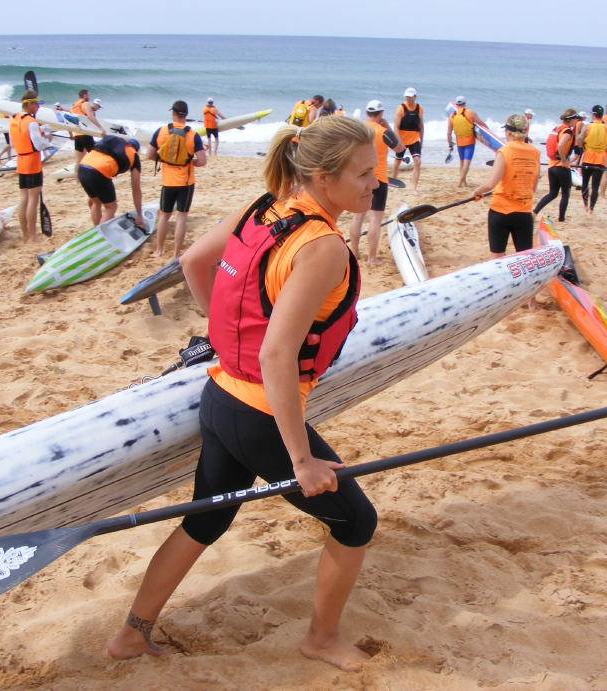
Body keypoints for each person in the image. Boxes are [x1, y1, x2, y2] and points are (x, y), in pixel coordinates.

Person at [106, 115, 378, 672]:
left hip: (220, 398)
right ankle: (321, 639)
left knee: (205, 520)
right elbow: (277, 355)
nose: (376, 183)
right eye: (364, 174)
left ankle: (131, 636)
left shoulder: (265, 206)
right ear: (324, 178)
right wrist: (301, 460)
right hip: (258, 417)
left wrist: (226, 334)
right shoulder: (322, 246)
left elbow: (193, 262)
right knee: (356, 522)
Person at [472, 114, 541, 261]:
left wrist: (477, 191)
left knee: (498, 257)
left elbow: (491, 184)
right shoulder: (536, 153)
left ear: (508, 133)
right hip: (524, 213)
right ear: (526, 131)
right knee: (524, 258)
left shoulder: (504, 151)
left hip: (500, 212)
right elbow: (533, 188)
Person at [349, 99, 406, 265]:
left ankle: (355, 253)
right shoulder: (383, 132)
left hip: (360, 177)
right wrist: (388, 127)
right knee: (375, 219)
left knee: (358, 217)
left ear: (367, 113)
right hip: (378, 179)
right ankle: (371, 258)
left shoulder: (358, 130)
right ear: (380, 114)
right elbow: (400, 148)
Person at [147, 100, 206, 257]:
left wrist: (165, 160)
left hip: (168, 182)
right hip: (186, 183)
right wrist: (188, 162)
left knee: (164, 216)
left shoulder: (161, 131)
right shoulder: (193, 135)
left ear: (173, 113)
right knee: (181, 217)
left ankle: (159, 250)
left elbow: (149, 155)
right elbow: (202, 161)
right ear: (186, 115)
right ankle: (176, 254)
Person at [9, 90, 52, 242]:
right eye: (37, 104)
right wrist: (48, 140)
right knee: (33, 200)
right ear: (31, 104)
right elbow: (38, 145)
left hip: (21, 161)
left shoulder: (13, 119)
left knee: (23, 198)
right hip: (32, 162)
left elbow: (13, 143)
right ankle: (33, 236)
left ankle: (25, 235)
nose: (38, 107)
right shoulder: (31, 122)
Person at [77, 135, 145, 227]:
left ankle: (97, 229)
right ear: (136, 149)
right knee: (111, 208)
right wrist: (139, 214)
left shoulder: (112, 140)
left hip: (83, 167)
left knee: (96, 203)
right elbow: (136, 188)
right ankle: (100, 233)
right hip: (99, 172)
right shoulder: (134, 154)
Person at [533, 108, 578, 222]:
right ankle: (561, 218)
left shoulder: (557, 128)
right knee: (565, 193)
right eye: (575, 119)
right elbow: (561, 146)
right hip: (561, 167)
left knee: (552, 193)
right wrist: (564, 160)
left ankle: (535, 211)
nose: (576, 121)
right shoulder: (568, 131)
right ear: (571, 119)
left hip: (552, 165)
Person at [576, 105, 607, 214]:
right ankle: (591, 209)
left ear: (593, 114)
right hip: (601, 159)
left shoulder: (587, 126)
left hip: (588, 157)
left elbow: (579, 140)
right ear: (602, 115)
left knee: (585, 183)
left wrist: (582, 146)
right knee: (595, 186)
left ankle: (585, 206)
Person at [447, 96, 487, 188]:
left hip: (459, 142)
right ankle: (460, 182)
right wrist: (488, 132)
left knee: (462, 162)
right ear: (464, 103)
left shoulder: (452, 115)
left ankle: (464, 182)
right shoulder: (471, 113)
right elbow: (481, 123)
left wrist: (450, 144)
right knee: (467, 163)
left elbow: (449, 133)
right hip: (470, 142)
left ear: (456, 104)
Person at [392, 88, 424, 190]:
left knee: (418, 162)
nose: (408, 99)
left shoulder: (419, 108)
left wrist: (421, 140)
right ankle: (393, 182)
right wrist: (398, 142)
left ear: (415, 97)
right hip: (402, 140)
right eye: (407, 97)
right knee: (397, 163)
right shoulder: (401, 108)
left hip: (414, 140)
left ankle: (413, 187)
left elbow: (421, 126)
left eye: (410, 97)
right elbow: (396, 127)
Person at [71, 90, 104, 164]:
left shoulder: (74, 105)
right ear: (85, 95)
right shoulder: (85, 103)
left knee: (79, 162)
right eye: (89, 95)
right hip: (85, 134)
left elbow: (69, 121)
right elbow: (90, 116)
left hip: (77, 135)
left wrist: (71, 134)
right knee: (95, 157)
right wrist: (100, 128)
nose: (89, 97)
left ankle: (79, 172)